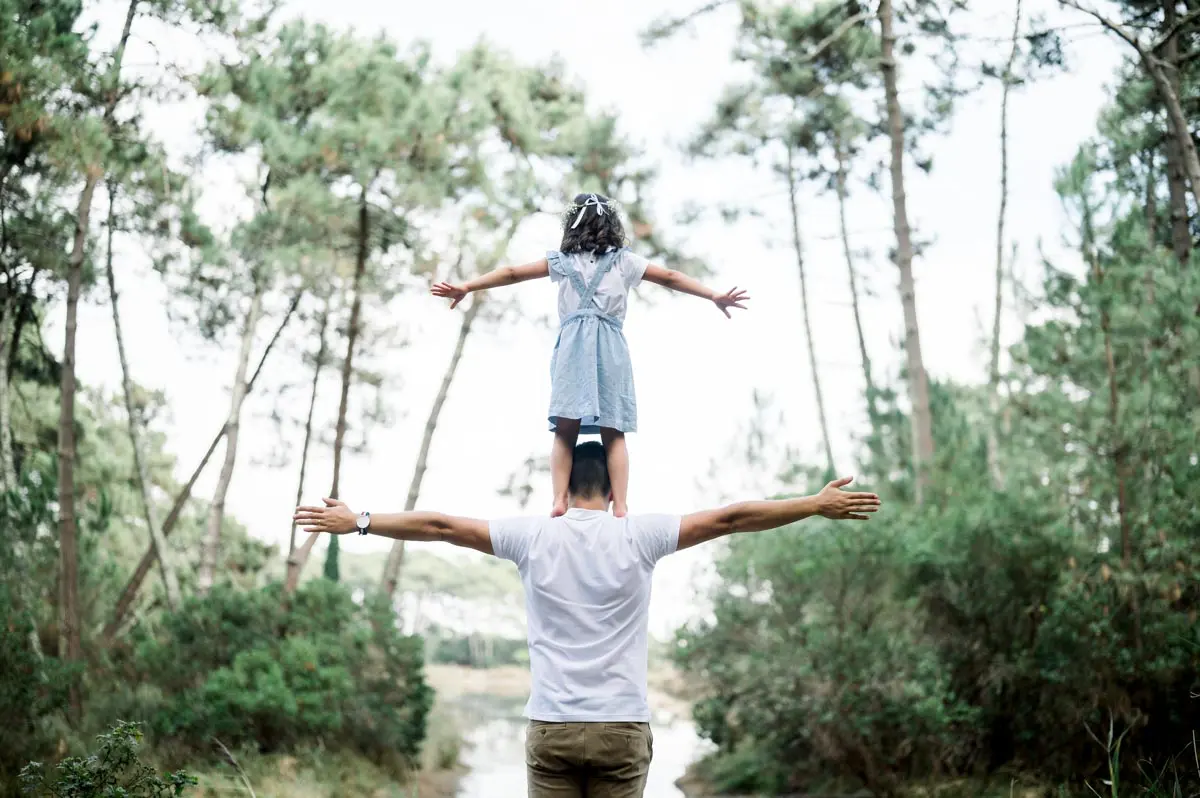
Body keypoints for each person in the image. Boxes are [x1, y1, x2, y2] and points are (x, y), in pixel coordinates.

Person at [292, 442, 881, 798]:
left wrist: (361, 520)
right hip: (621, 729)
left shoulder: (531, 536)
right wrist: (814, 504)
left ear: (565, 482)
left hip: (551, 727)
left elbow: (443, 526)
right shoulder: (641, 534)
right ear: (613, 482)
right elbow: (729, 518)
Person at [431, 193, 749, 519]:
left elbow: (513, 272)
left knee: (564, 431)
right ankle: (621, 506)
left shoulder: (562, 262)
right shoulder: (625, 261)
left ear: (571, 225)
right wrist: (712, 294)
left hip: (572, 346)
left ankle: (558, 499)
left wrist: (468, 286)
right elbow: (670, 277)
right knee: (614, 431)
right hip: (610, 345)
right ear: (612, 225)